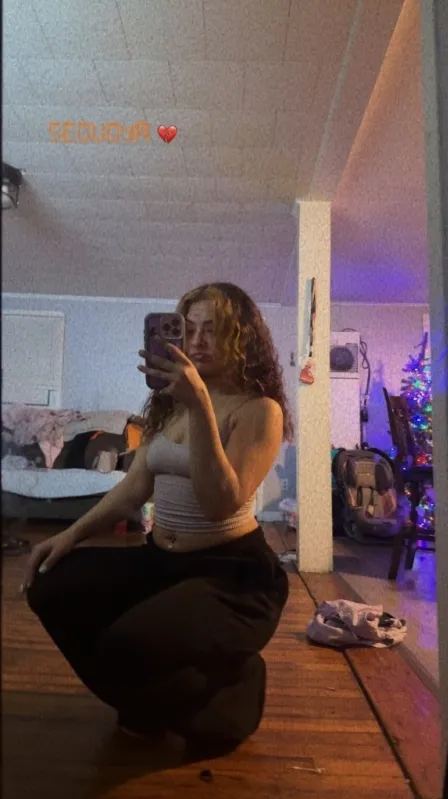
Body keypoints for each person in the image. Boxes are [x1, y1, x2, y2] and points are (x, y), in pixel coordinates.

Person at [23, 282, 293, 759]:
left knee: (129, 645)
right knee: (49, 585)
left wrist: (201, 405)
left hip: (232, 577)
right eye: (189, 329)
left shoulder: (259, 410)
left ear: (242, 339)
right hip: (161, 561)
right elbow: (133, 488)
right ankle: (146, 707)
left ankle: (232, 696)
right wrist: (68, 536)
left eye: (214, 329)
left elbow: (220, 502)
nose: (198, 341)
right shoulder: (168, 405)